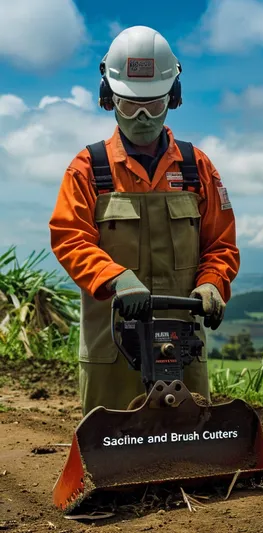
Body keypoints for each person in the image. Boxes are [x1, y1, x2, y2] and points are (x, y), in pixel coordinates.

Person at [49, 26, 239, 415]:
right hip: (112, 349)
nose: (141, 117)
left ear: (174, 97)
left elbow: (221, 244)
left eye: (153, 105)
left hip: (183, 346)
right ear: (107, 98)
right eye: (129, 104)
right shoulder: (88, 170)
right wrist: (115, 277)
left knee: (190, 452)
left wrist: (211, 283)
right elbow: (70, 238)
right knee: (110, 453)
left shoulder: (196, 168)